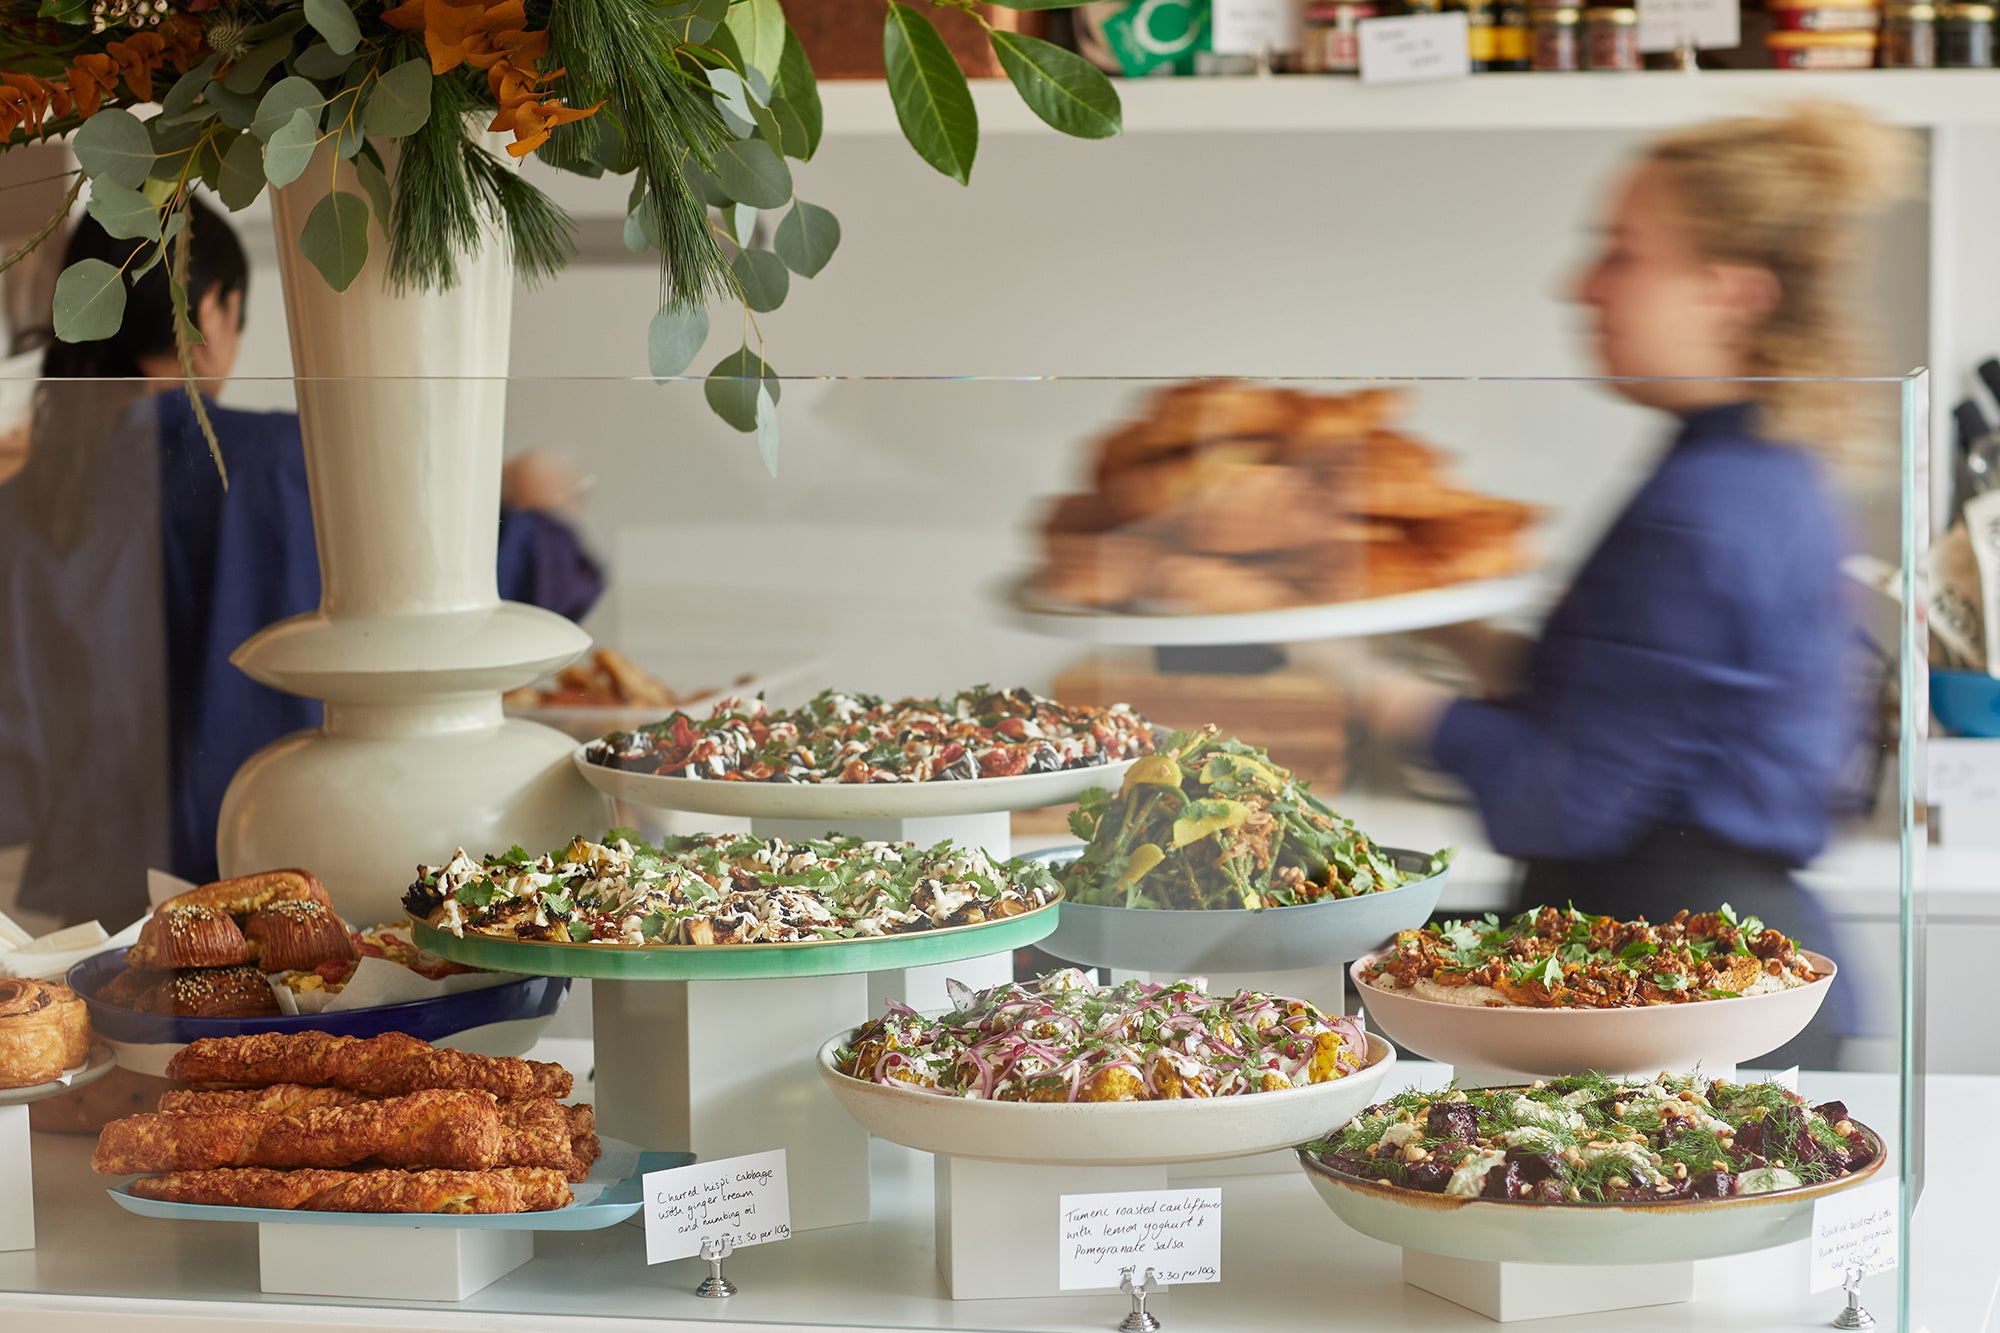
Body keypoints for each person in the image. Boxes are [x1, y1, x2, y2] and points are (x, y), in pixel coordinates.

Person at [1356, 103, 1910, 1069]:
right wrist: (1454, 631)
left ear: (1728, 292)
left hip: (1673, 989)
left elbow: (1563, 795)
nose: (1581, 287)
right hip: (1709, 968)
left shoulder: (1703, 507)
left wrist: (1355, 683)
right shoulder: (1754, 469)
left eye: (1623, 253)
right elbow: (1631, 702)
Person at [0, 196, 605, 926]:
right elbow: (467, 594)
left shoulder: (32, 494)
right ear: (216, 312)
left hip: (76, 915)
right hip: (270, 894)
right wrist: (533, 508)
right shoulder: (282, 464)